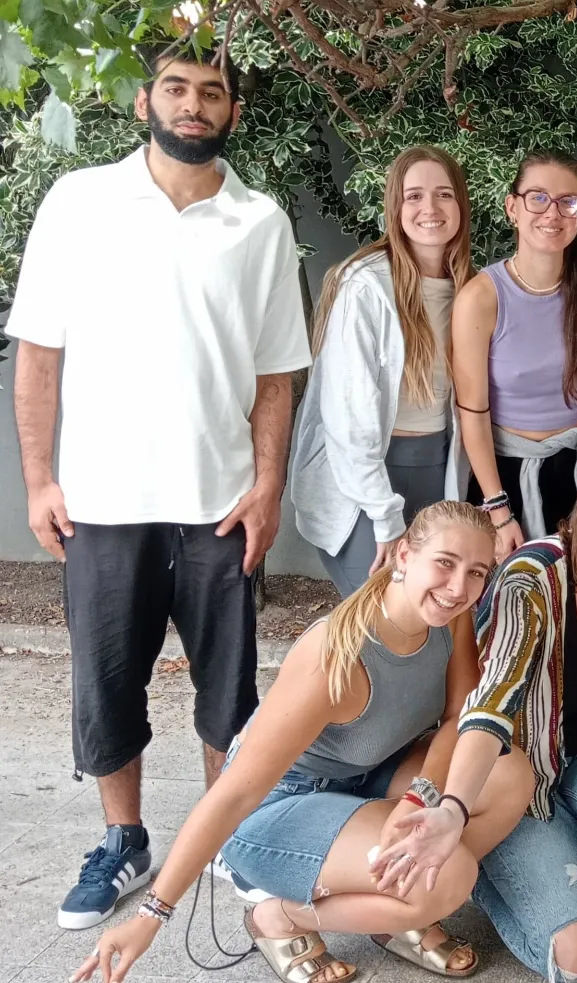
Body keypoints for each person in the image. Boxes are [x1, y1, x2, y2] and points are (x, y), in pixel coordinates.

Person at [7, 46, 312, 930]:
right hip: (102, 501)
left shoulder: (259, 221)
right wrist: (38, 479)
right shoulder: (79, 201)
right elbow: (39, 354)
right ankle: (123, 839)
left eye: (212, 92)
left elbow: (275, 377)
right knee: (105, 686)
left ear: (233, 112)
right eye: (176, 88)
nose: (193, 104)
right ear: (145, 100)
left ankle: (229, 838)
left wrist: (267, 487)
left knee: (228, 690)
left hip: (220, 503)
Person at [70, 501, 533, 983]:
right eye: (444, 563)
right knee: (451, 877)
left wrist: (422, 795)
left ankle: (396, 907)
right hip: (276, 811)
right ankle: (282, 919)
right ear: (403, 555)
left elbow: (459, 718)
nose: (458, 587)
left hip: (364, 775)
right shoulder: (334, 658)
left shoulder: (449, 613)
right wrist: (151, 915)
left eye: (476, 572)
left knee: (508, 774)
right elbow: (234, 794)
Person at [373, 459, 577, 982]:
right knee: (576, 961)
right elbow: (490, 702)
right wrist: (453, 807)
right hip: (519, 770)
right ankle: (487, 864)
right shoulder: (533, 579)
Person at [290, 145, 475, 596]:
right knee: (382, 615)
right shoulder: (366, 287)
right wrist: (384, 516)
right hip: (364, 481)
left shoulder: (473, 289)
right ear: (395, 207)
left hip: (438, 469)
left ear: (461, 204)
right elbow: (348, 416)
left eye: (444, 194)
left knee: (429, 614)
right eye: (414, 196)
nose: (429, 208)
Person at [453, 150, 577, 562]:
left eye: (568, 201)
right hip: (504, 474)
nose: (552, 213)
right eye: (538, 198)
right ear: (512, 207)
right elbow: (472, 411)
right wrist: (498, 510)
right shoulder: (481, 297)